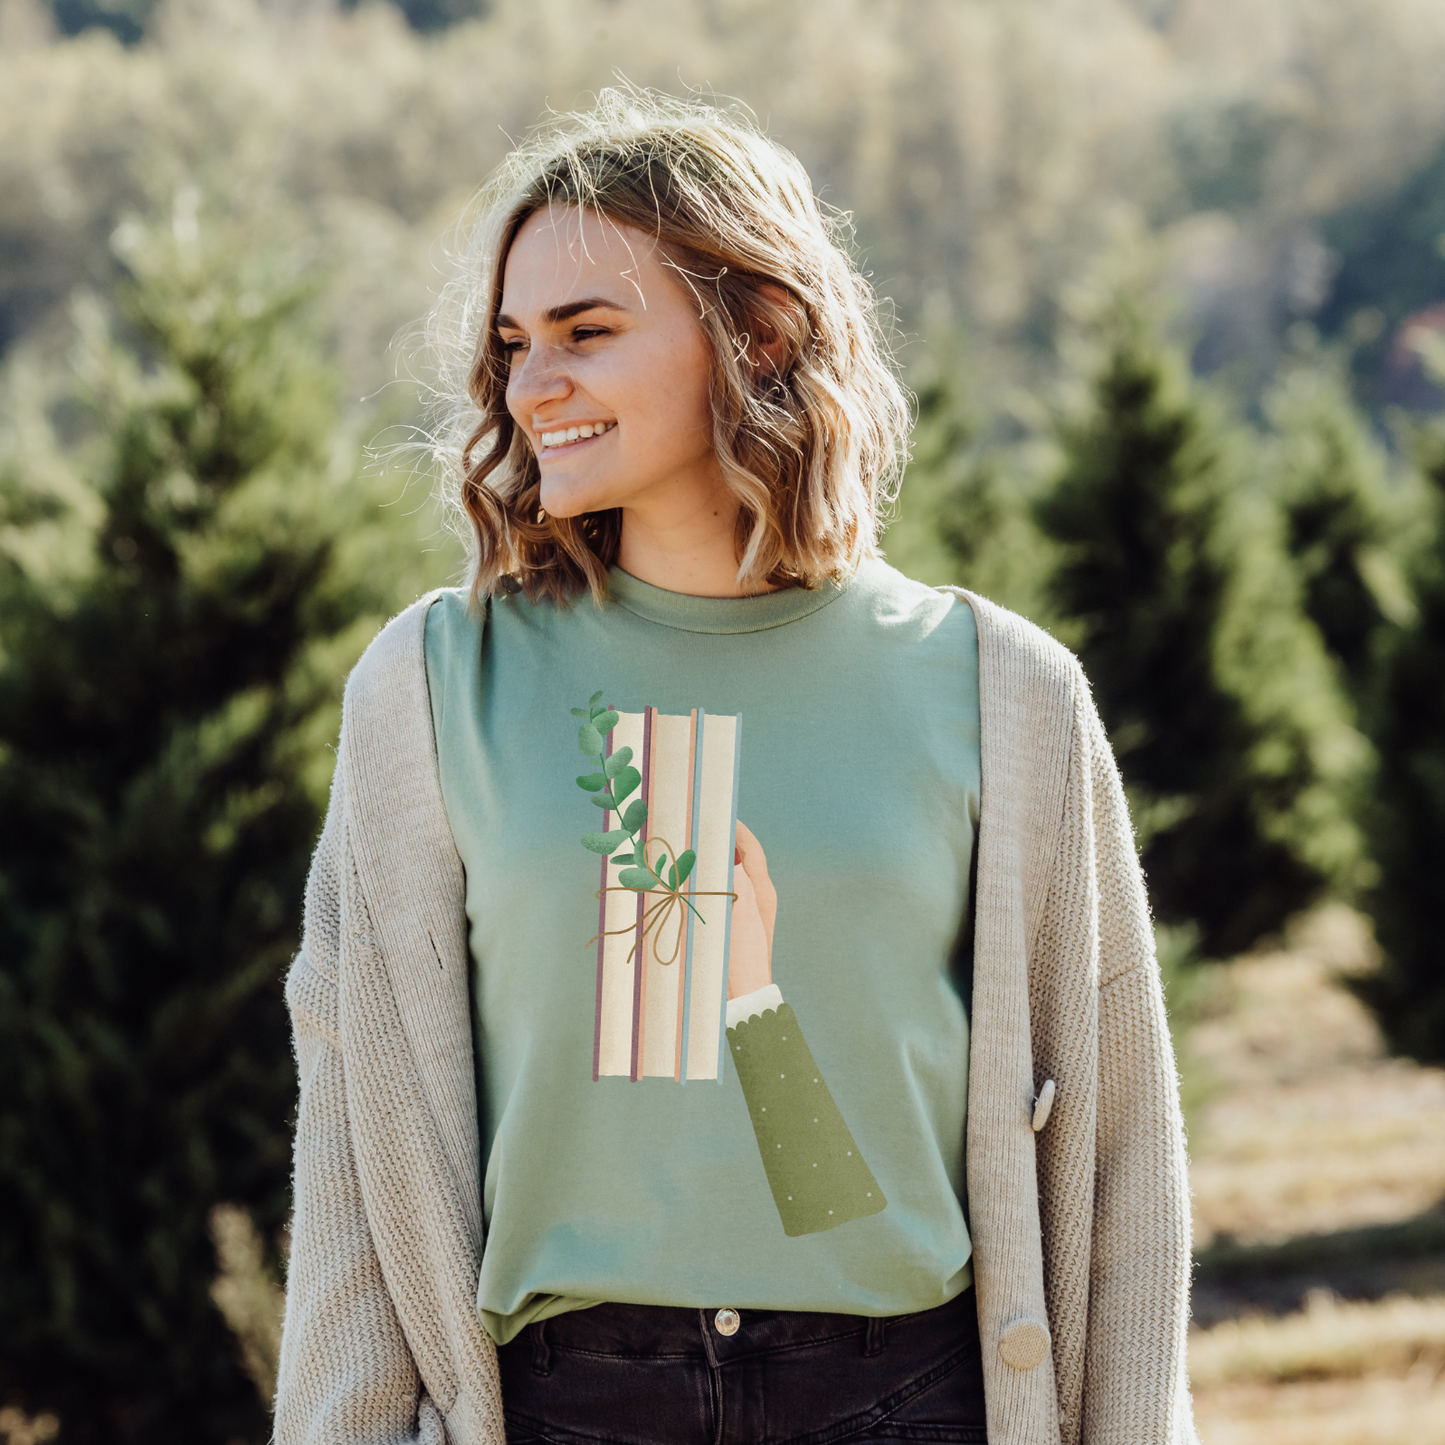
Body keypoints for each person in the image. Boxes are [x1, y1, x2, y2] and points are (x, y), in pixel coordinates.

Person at [273, 91, 1196, 1445]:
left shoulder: (1002, 690)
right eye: (515, 345)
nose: (533, 386)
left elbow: (1119, 1174)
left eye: (588, 332)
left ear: (758, 329)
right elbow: (359, 1178)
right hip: (566, 1407)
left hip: (908, 1400)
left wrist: (749, 995)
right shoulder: (429, 690)